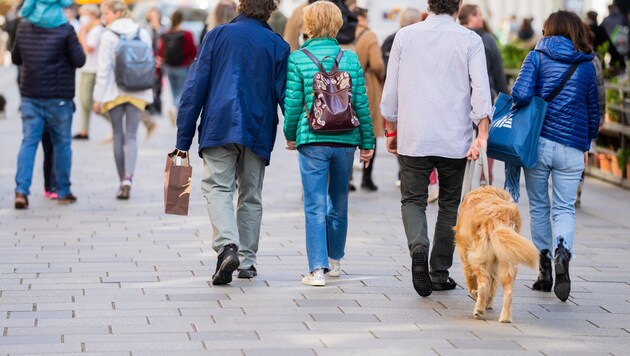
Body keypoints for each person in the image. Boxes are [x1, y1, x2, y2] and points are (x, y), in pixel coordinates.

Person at [380, 0, 492, 297]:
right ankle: (439, 271)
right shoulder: (470, 39)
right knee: (449, 205)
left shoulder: (405, 35)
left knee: (413, 200)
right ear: (457, 6)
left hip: (414, 133)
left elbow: (391, 89)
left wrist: (391, 128)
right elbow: (481, 89)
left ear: (429, 4)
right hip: (453, 136)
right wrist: (482, 132)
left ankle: (418, 246)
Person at [174, 0, 289, 285]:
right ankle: (247, 261)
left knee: (217, 187)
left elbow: (195, 87)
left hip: (220, 124)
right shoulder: (277, 44)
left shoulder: (217, 35)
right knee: (251, 194)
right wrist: (297, 134)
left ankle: (227, 246)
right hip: (258, 127)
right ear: (270, 9)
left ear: (241, 5)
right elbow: (286, 94)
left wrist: (183, 138)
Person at [509, 10, 600, 302]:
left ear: (548, 30)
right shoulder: (586, 64)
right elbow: (593, 111)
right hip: (572, 145)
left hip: (539, 143)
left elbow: (520, 95)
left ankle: (545, 270)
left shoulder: (535, 57)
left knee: (538, 206)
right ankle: (563, 252)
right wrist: (586, 145)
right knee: (565, 208)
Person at [284, 1, 374, 286]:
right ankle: (335, 260)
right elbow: (361, 103)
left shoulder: (298, 59)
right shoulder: (349, 58)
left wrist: (290, 134)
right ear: (337, 24)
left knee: (314, 204)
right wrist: (367, 142)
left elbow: (294, 104)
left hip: (312, 139)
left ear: (307, 25)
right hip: (346, 139)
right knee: (339, 200)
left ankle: (317, 270)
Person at [11, 0, 86, 209]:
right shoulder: (65, 29)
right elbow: (80, 60)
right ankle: (62, 191)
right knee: (62, 144)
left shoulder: (24, 27)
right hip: (59, 97)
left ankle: (21, 191)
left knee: (28, 142)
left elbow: (16, 58)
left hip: (30, 94)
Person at [92, 0, 153, 200]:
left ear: (117, 12)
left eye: (106, 14)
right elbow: (148, 61)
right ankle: (128, 178)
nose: (104, 18)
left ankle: (121, 183)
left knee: (118, 135)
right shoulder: (142, 31)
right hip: (138, 89)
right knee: (132, 136)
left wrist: (97, 98)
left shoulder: (108, 35)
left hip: (113, 91)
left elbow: (103, 70)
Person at [459, 3, 510, 186]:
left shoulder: (456, 36)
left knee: (460, 137)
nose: (482, 18)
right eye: (479, 15)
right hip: (484, 96)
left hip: (459, 98)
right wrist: (505, 97)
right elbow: (498, 71)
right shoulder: (487, 40)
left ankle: (455, 174)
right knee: (485, 135)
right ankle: (483, 177)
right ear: (471, 17)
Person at [352, 5, 383, 192]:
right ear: (362, 17)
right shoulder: (369, 36)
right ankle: (367, 178)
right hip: (367, 86)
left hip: (345, 86)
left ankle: (347, 179)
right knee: (369, 130)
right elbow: (378, 64)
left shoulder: (342, 33)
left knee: (347, 127)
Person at [158, 10, 197, 125]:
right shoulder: (187, 34)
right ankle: (175, 108)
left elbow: (161, 50)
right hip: (183, 66)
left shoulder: (166, 34)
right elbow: (193, 50)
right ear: (182, 20)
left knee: (175, 91)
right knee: (182, 91)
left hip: (169, 66)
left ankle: (175, 111)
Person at [73, 4, 103, 140]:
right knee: (82, 101)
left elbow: (89, 48)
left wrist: (82, 34)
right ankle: (84, 130)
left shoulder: (96, 29)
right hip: (86, 67)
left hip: (93, 69)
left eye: (85, 14)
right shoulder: (89, 28)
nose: (82, 17)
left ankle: (115, 123)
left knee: (87, 100)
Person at [284, 0, 357, 52]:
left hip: (313, 59)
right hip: (345, 57)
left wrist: (297, 58)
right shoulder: (348, 7)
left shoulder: (302, 10)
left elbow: (290, 41)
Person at [145, 7, 165, 116]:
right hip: (148, 59)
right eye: (152, 16)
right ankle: (149, 105)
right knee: (149, 83)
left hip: (159, 59)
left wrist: (157, 28)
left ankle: (157, 104)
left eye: (156, 16)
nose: (154, 18)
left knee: (158, 83)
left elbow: (163, 43)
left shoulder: (161, 28)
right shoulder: (145, 28)